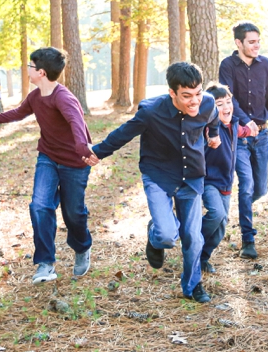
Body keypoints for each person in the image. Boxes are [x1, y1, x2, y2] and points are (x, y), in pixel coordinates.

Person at [88, 62, 220, 303]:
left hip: (192, 176)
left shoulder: (208, 102)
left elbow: (214, 118)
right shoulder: (151, 111)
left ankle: (192, 286)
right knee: (168, 235)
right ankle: (154, 234)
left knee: (192, 236)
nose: (194, 101)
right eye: (187, 96)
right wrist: (97, 152)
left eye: (198, 93)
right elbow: (123, 133)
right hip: (159, 175)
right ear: (172, 93)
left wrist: (214, 135)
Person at [0, 46, 95, 286]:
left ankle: (82, 246)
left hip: (75, 163)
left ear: (42, 72)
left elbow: (77, 122)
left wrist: (82, 148)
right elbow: (17, 113)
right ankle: (45, 263)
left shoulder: (63, 97)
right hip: (47, 157)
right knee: (40, 205)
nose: (28, 70)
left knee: (73, 213)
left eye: (31, 67)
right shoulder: (36, 97)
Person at [219, 23, 268, 258]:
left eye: (258, 41)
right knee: (245, 186)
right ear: (239, 43)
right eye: (251, 42)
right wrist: (246, 121)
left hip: (263, 136)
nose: (256, 46)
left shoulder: (265, 64)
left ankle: (243, 206)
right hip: (239, 137)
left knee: (260, 189)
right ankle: (248, 240)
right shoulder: (227, 65)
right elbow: (229, 99)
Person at [201, 81, 241, 273]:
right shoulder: (210, 128)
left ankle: (203, 257)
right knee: (216, 214)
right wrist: (209, 137)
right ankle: (192, 238)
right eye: (219, 104)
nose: (226, 107)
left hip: (226, 182)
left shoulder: (234, 124)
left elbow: (242, 131)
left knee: (221, 228)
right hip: (209, 181)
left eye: (228, 102)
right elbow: (207, 135)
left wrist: (251, 129)